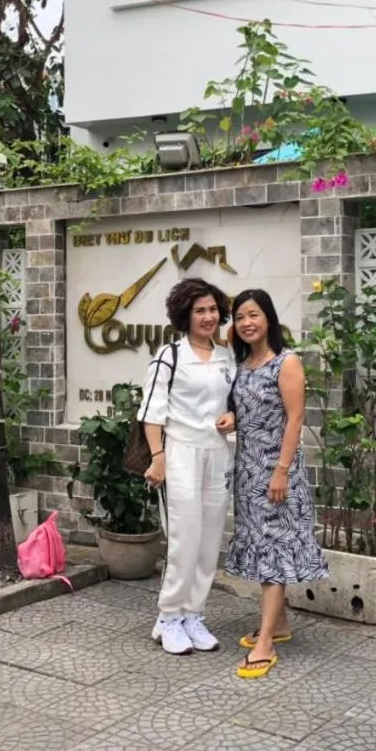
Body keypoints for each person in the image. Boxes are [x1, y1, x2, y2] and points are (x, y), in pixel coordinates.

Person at [219, 288, 328, 679]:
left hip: (278, 472)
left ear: (268, 317)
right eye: (240, 317)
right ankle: (279, 624)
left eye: (254, 315)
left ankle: (265, 640)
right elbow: (244, 408)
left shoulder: (287, 362)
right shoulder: (244, 363)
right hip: (247, 471)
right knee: (262, 544)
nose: (247, 323)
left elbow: (295, 419)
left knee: (274, 550)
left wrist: (281, 470)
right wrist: (232, 418)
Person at [140, 277, 236, 655]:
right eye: (200, 310)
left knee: (211, 538)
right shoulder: (170, 356)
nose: (208, 316)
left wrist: (233, 416)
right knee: (185, 537)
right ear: (185, 314)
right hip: (180, 452)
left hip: (218, 453)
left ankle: (194, 613)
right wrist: (158, 458)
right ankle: (168, 616)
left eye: (213, 309)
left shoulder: (228, 355)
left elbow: (236, 401)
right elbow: (152, 412)